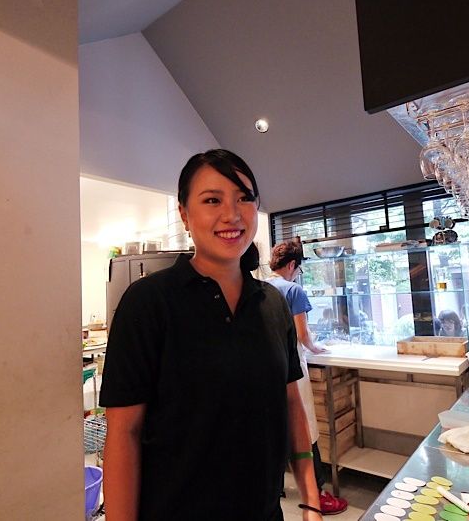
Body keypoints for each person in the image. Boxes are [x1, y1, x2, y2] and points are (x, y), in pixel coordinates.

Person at [99, 149, 322, 521]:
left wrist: (311, 499)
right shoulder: (147, 303)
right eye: (212, 200)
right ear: (184, 214)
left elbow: (291, 405)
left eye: (244, 198)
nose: (232, 214)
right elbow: (124, 434)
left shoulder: (272, 303)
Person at [267, 241, 349, 516]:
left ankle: (277, 486)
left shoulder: (262, 287)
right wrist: (317, 348)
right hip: (292, 367)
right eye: (299, 269)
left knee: (276, 424)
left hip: (267, 368)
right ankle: (318, 493)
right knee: (306, 428)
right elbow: (303, 336)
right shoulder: (293, 290)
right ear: (292, 265)